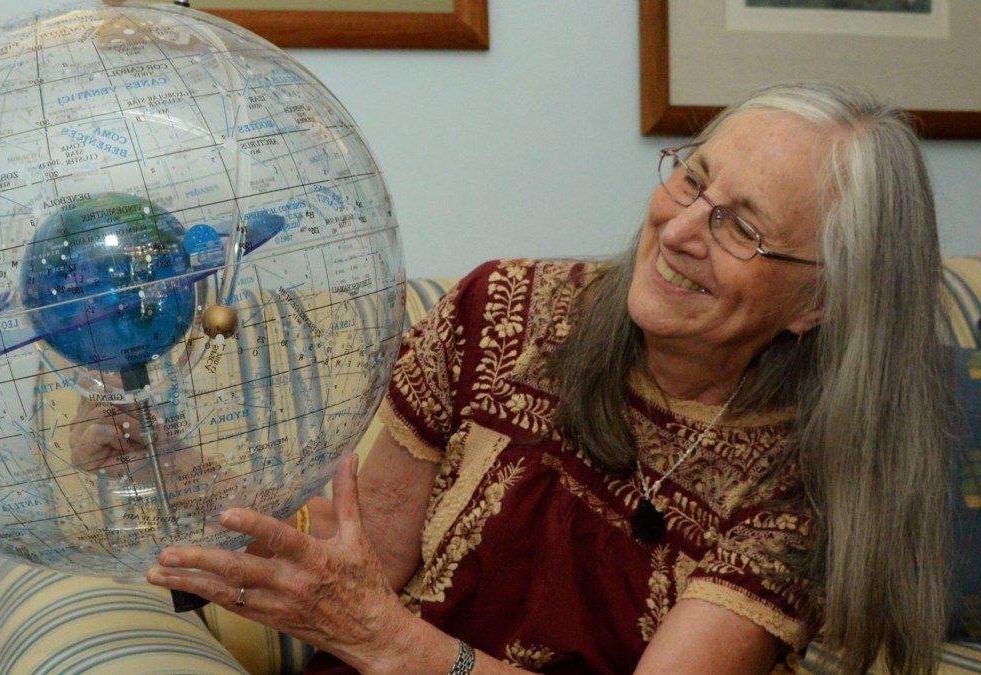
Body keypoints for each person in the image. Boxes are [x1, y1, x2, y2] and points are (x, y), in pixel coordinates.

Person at [143, 82, 953, 674]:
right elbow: (362, 568)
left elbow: (369, 619)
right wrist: (166, 467)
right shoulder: (500, 310)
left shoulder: (802, 487)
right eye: (693, 179)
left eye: (741, 225)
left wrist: (388, 640)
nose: (679, 229)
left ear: (818, 301)